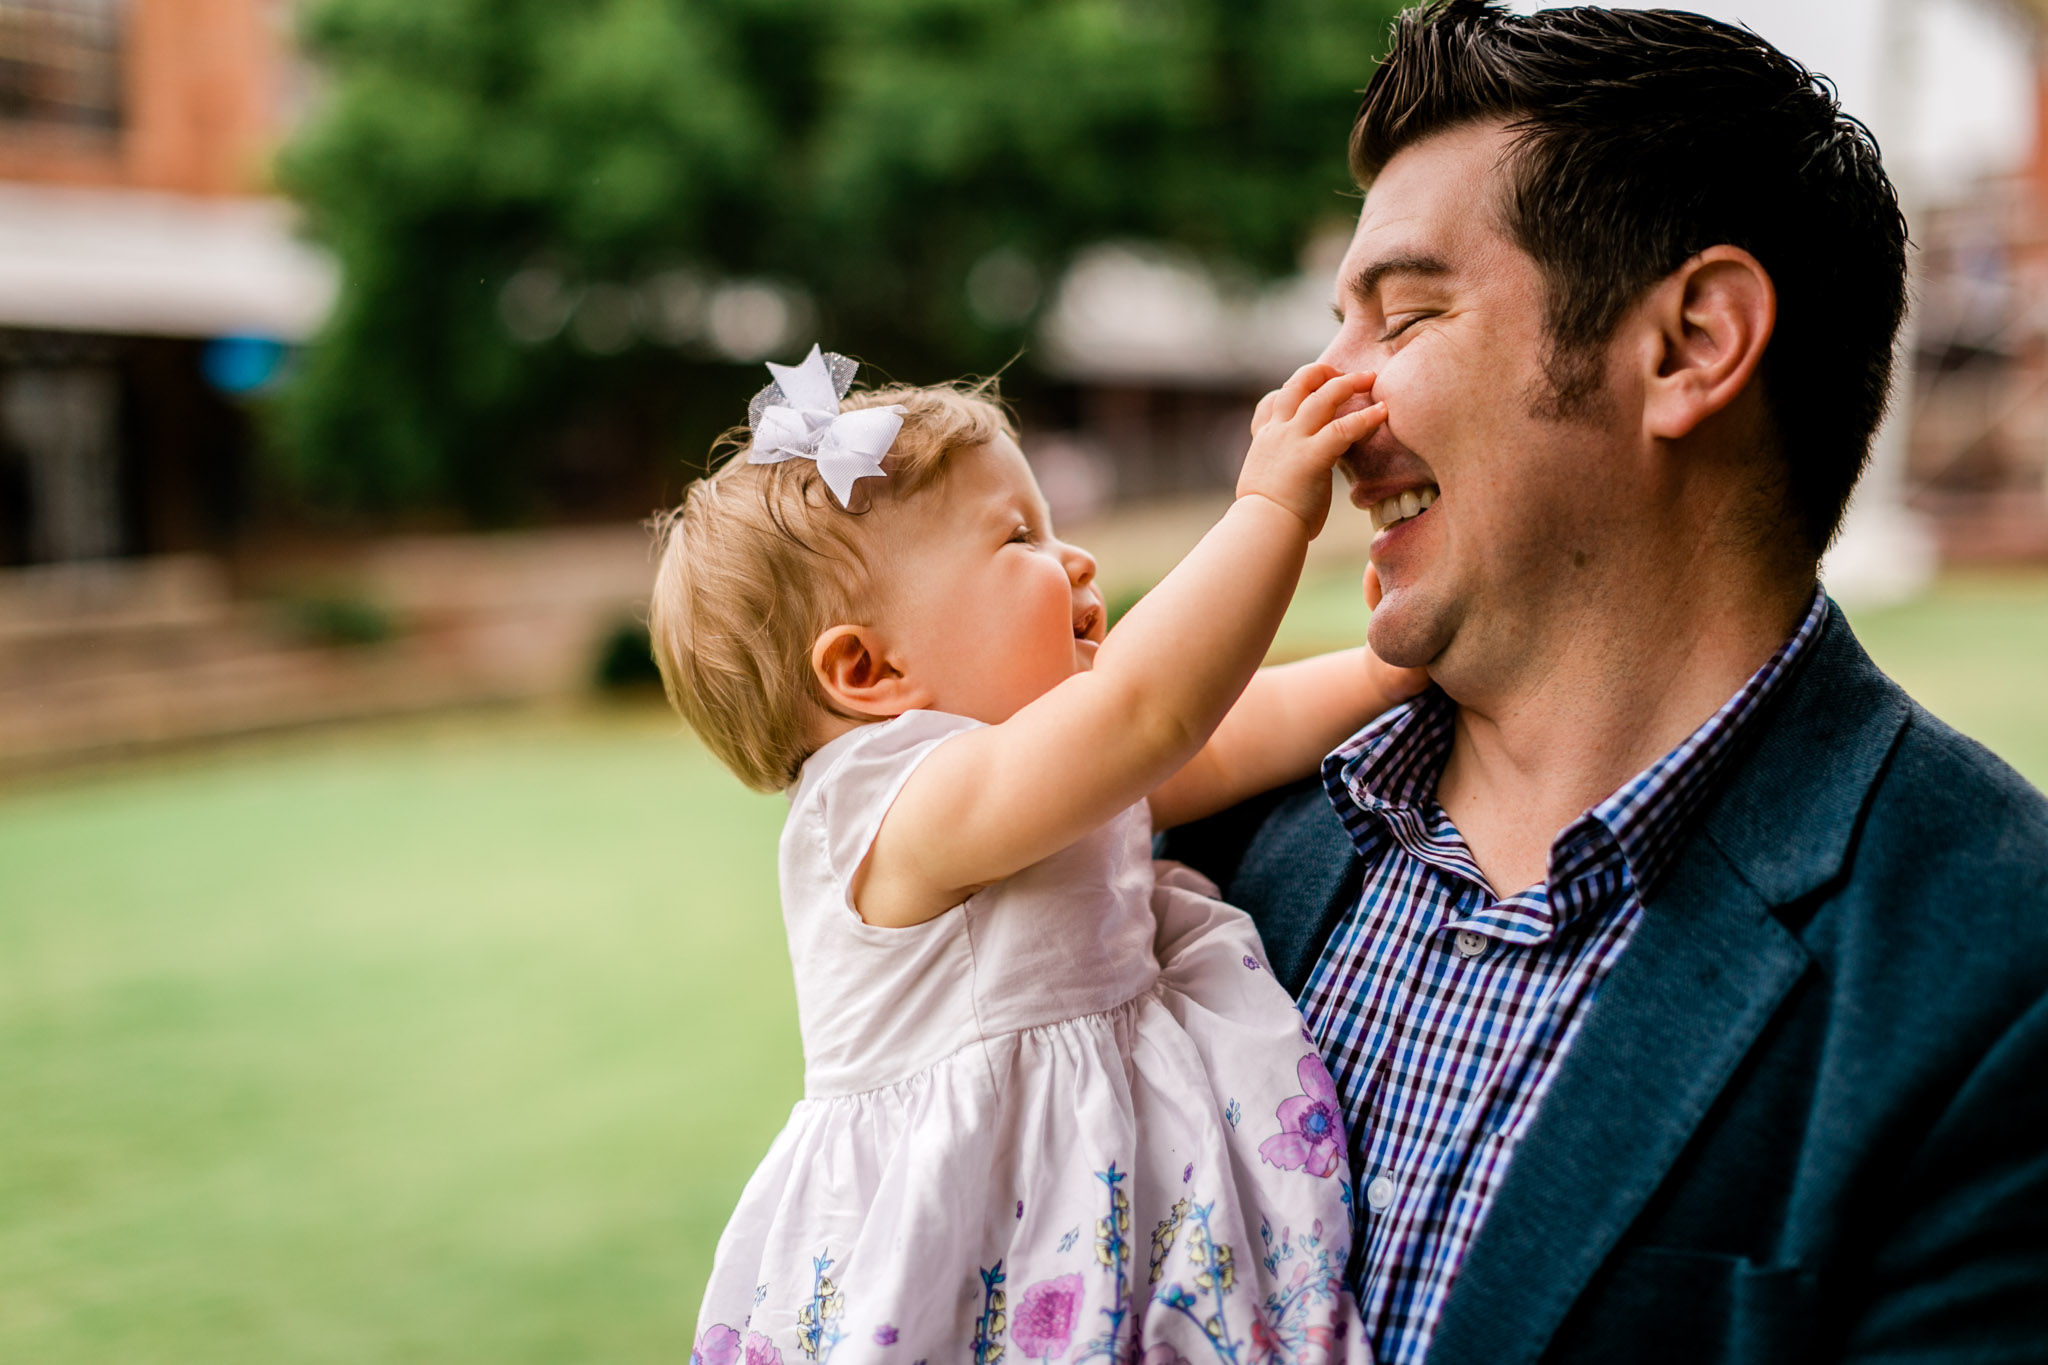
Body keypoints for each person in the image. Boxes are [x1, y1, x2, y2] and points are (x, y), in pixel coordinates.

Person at [1158, 5, 2048, 1364]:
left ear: (1691, 345)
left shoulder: (1998, 973)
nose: (1314, 413)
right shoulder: (1202, 844)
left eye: (1402, 317)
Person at [652, 344, 1425, 1359]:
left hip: (1096, 1201)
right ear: (867, 668)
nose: (1076, 561)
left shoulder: (1036, 774)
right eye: (1018, 537)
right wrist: (1269, 511)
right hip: (990, 1242)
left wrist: (1379, 670)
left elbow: (1215, 734)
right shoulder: (897, 805)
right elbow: (1150, 709)